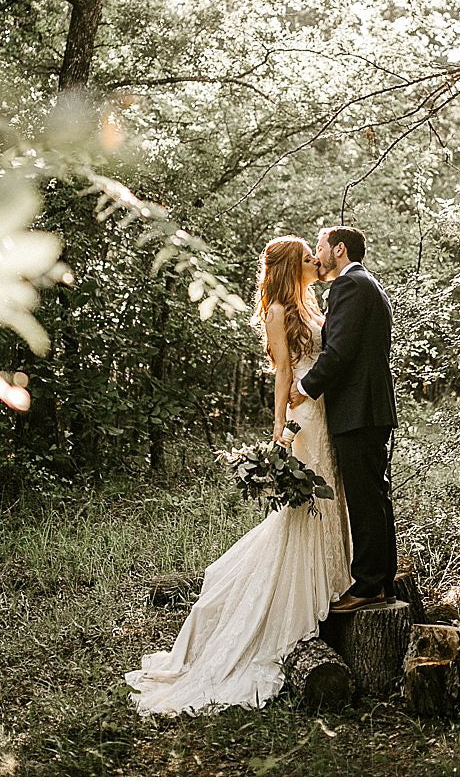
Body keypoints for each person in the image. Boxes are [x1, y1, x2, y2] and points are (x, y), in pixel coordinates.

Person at [125, 235, 352, 716]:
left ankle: (339, 583)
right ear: (293, 267)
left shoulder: (309, 303)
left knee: (334, 502)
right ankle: (299, 602)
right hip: (304, 418)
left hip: (326, 414)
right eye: (309, 259)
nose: (317, 263)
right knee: (307, 509)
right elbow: (283, 374)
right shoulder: (277, 313)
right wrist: (281, 431)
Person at [290, 225, 399, 611]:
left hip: (359, 410)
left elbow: (339, 352)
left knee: (365, 497)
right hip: (368, 408)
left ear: (339, 249)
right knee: (374, 495)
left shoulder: (350, 286)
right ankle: (382, 580)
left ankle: (369, 585)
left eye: (320, 248)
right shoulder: (364, 284)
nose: (317, 256)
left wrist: (303, 388)